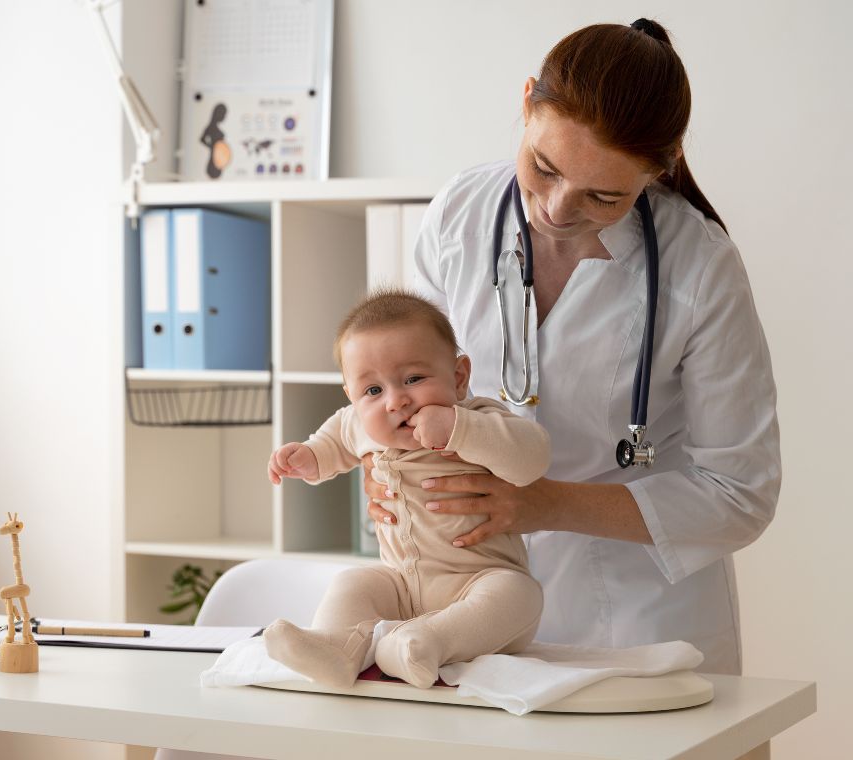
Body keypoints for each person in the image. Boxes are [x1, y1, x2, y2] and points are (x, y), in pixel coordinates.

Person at [360, 19, 779, 675]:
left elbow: (741, 494)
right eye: (544, 167)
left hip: (641, 619)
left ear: (656, 171)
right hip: (466, 594)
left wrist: (546, 503)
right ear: (527, 103)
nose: (556, 208)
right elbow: (404, 378)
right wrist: (383, 457)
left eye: (604, 195)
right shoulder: (460, 214)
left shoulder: (701, 268)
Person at [264, 289, 551, 689]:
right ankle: (337, 648)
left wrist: (459, 430)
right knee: (355, 583)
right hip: (400, 587)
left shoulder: (477, 417)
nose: (397, 401)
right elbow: (330, 447)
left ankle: (424, 644)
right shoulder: (356, 423)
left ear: (459, 377)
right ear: (350, 397)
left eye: (414, 379)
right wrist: (306, 458)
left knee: (520, 593)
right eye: (373, 391)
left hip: (480, 579)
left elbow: (532, 457)